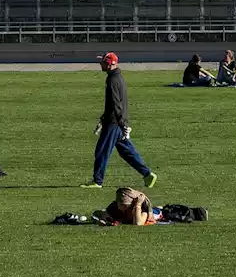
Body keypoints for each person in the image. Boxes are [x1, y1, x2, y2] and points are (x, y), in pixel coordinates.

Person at [84, 52, 156, 189]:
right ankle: (147, 174)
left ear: (110, 64)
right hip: (116, 121)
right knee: (128, 153)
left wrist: (121, 123)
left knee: (101, 151)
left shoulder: (112, 80)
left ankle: (97, 181)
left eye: (103, 62)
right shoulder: (117, 77)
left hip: (114, 123)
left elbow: (116, 103)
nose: (101, 64)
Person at [99, 187, 209, 226]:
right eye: (119, 203)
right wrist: (104, 220)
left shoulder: (142, 210)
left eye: (123, 205)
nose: (119, 206)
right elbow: (104, 213)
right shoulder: (115, 206)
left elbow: (138, 223)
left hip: (162, 213)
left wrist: (137, 205)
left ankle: (200, 212)